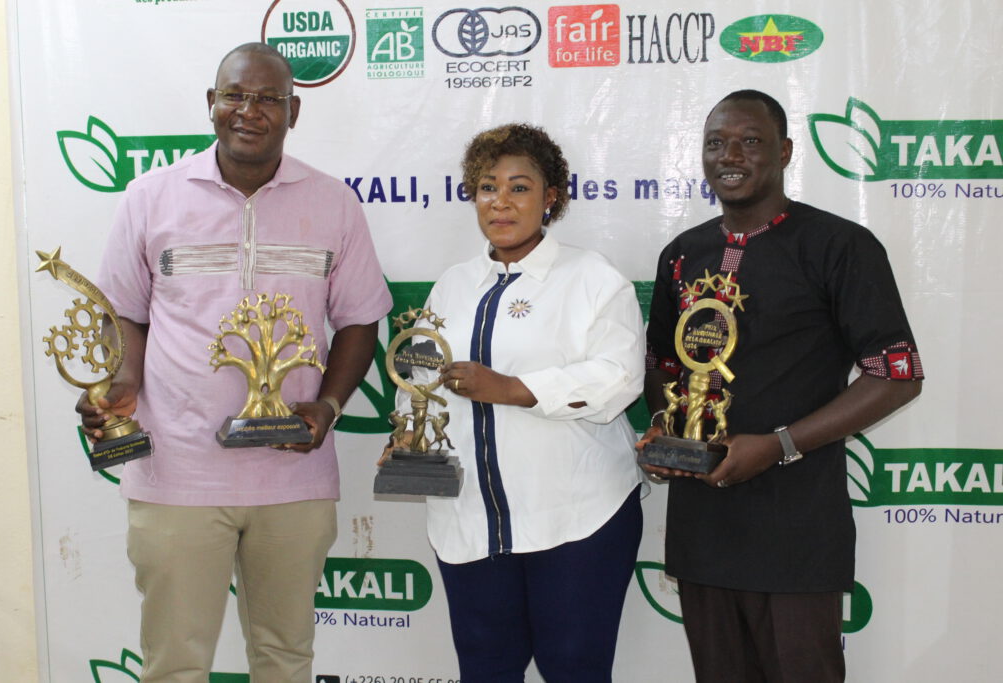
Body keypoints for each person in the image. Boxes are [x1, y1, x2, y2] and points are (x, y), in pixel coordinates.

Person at [77, 43, 392, 682]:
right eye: (235, 95)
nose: (250, 111)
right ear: (211, 103)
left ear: (293, 112)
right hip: (176, 473)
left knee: (285, 659)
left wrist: (329, 407)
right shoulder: (149, 197)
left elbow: (360, 319)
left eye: (269, 99)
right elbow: (124, 313)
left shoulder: (333, 203)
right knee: (174, 664)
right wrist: (123, 382)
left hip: (292, 480)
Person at [638, 90, 923, 682]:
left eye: (750, 141)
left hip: (795, 530)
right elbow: (663, 365)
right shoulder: (682, 254)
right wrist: (665, 434)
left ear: (786, 151)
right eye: (715, 143)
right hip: (702, 529)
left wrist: (779, 444)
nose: (729, 155)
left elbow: (896, 377)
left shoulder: (839, 246)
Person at [392, 124, 645, 681]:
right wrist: (408, 430)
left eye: (519, 187)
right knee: (486, 670)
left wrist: (512, 389)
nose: (500, 202)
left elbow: (619, 378)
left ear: (551, 196)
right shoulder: (453, 285)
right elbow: (418, 374)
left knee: (574, 671)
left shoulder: (594, 279)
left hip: (576, 521)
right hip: (470, 522)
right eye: (487, 187)